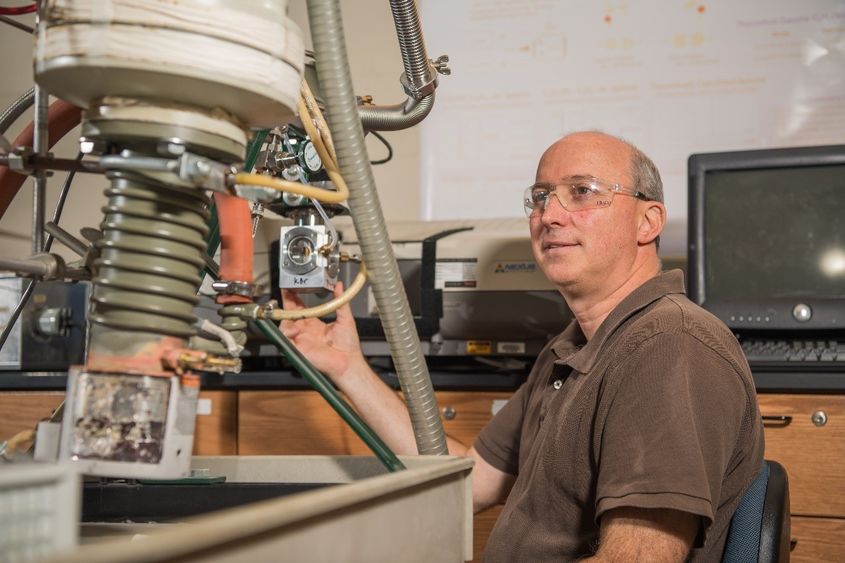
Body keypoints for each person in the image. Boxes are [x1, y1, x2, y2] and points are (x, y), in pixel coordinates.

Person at [281, 131, 764, 561]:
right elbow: (472, 482)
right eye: (540, 197)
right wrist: (348, 368)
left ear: (648, 221)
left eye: (582, 192)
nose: (549, 215)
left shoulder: (668, 345)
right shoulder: (572, 346)